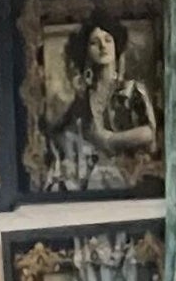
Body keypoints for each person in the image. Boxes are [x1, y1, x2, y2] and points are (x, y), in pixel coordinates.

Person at [47, 20, 158, 187]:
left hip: (129, 173)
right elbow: (61, 131)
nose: (102, 46)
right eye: (94, 42)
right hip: (90, 174)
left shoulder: (132, 89)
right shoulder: (83, 96)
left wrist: (111, 139)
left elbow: (149, 132)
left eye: (108, 40)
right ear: (86, 51)